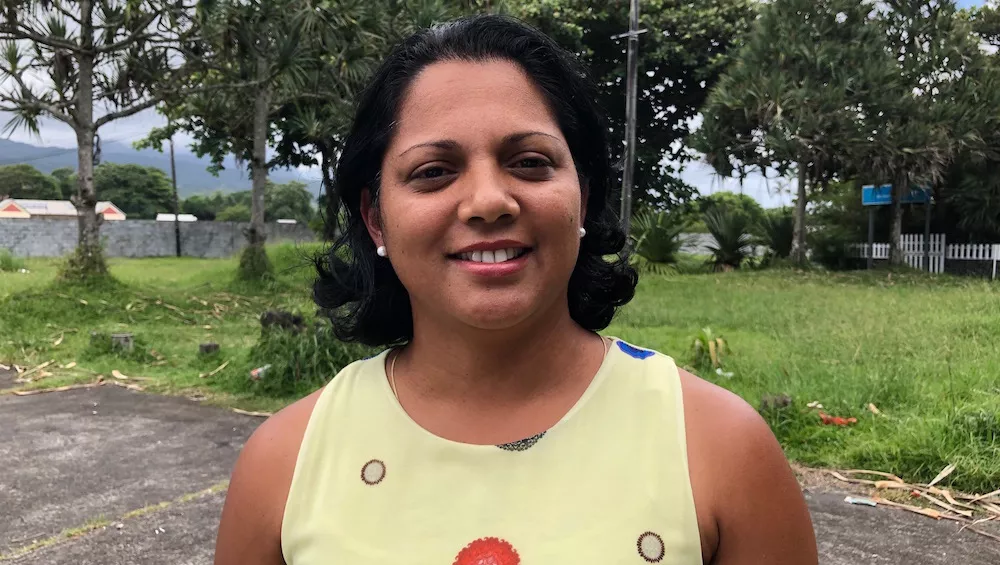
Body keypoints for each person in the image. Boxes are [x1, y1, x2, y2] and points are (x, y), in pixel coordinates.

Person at [214, 14, 818, 565]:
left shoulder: (720, 449)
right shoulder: (284, 464)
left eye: (529, 162)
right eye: (434, 172)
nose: (488, 201)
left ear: (582, 195)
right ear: (376, 219)